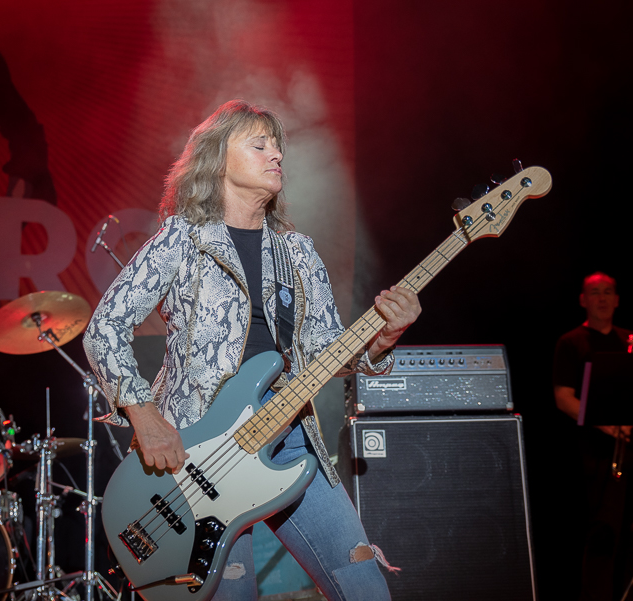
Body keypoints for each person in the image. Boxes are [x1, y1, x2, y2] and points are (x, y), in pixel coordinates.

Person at [83, 99, 421, 600]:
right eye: (259, 145)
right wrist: (146, 416)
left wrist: (383, 339)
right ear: (218, 159)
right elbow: (105, 327)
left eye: (277, 146)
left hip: (290, 440)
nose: (277, 155)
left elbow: (327, 352)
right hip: (196, 455)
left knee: (364, 585)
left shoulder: (298, 252)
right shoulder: (183, 239)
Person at [551, 272, 633, 601]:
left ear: (618, 300)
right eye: (595, 292)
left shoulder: (632, 341)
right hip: (595, 452)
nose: (602, 298)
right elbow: (563, 398)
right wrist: (607, 424)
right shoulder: (571, 341)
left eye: (608, 292)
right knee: (602, 533)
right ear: (583, 300)